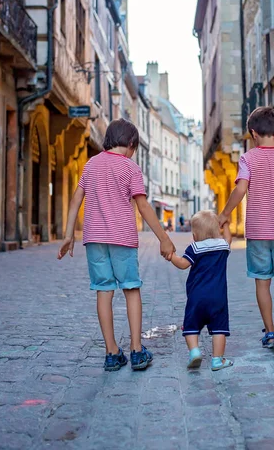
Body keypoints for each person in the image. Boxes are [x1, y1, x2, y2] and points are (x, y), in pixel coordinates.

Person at [58, 118, 175, 372]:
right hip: (122, 238)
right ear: (131, 144)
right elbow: (143, 206)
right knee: (131, 289)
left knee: (104, 291)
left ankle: (111, 352)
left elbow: (77, 198)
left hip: (94, 239)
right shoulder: (130, 168)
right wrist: (164, 238)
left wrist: (68, 234)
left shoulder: (91, 164)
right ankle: (136, 351)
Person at [219, 107, 274, 356]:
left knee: (262, 281)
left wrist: (225, 214)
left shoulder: (248, 158)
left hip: (258, 230)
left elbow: (241, 188)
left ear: (253, 133)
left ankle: (270, 331)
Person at [170, 210, 233, 371]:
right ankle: (217, 360)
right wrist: (225, 224)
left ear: (195, 234)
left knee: (191, 325)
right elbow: (229, 238)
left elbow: (183, 264)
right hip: (218, 297)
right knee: (219, 329)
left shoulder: (195, 248)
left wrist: (171, 257)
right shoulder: (222, 246)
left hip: (196, 297)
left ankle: (195, 351)